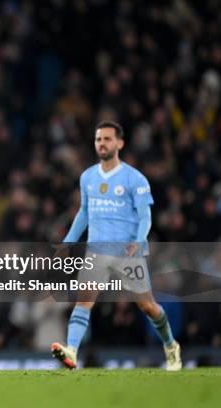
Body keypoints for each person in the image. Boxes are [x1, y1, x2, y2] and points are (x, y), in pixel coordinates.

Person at [51, 121, 182, 371]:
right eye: (98, 139)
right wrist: (68, 241)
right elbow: (84, 213)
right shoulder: (87, 176)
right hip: (97, 252)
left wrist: (139, 240)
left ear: (119, 143)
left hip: (127, 253)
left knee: (147, 306)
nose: (102, 143)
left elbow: (145, 216)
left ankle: (170, 345)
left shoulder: (135, 178)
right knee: (83, 301)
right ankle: (71, 351)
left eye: (107, 139)